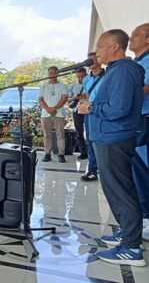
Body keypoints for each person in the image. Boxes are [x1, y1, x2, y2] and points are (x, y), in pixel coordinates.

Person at [78, 29, 146, 267]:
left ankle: (131, 248)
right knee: (116, 190)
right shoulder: (117, 71)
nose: (97, 52)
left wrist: (91, 109)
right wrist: (94, 104)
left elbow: (119, 109)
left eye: (101, 46)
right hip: (108, 137)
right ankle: (126, 233)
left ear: (115, 47)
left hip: (114, 138)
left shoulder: (124, 71)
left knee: (121, 191)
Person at [128, 22, 149, 241]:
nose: (131, 38)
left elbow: (143, 90)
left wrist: (119, 101)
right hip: (137, 120)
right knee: (137, 170)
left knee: (143, 170)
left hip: (145, 121)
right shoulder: (137, 62)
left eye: (135, 35)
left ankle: (146, 218)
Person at [80, 52, 105, 182]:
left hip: (102, 112)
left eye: (93, 60)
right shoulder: (86, 79)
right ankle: (92, 170)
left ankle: (106, 170)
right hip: (89, 113)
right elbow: (87, 95)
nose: (90, 62)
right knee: (89, 142)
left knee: (102, 142)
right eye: (88, 60)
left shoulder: (108, 76)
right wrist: (84, 103)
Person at [38, 66, 69, 163]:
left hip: (58, 114)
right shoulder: (43, 87)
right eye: (50, 73)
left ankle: (61, 154)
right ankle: (47, 154)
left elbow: (64, 99)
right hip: (45, 114)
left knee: (60, 135)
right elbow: (40, 99)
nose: (52, 75)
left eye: (54, 73)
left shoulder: (63, 86)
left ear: (58, 74)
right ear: (48, 74)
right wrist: (48, 109)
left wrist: (54, 108)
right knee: (47, 136)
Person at [67, 68, 88, 160]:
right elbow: (67, 100)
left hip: (88, 111)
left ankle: (92, 151)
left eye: (82, 76)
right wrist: (74, 97)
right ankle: (83, 152)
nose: (80, 78)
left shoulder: (91, 84)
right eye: (78, 76)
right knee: (79, 132)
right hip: (77, 111)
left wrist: (85, 97)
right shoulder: (72, 86)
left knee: (90, 132)